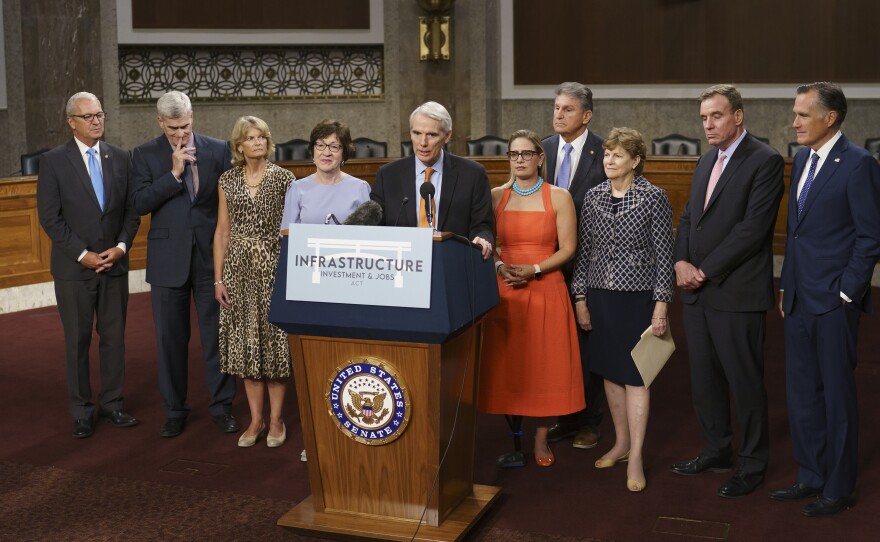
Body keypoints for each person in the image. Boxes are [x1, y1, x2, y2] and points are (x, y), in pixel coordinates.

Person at [770, 82, 880, 517]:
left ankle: (839, 486)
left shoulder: (858, 165)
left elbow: (871, 236)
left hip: (834, 302)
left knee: (836, 397)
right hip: (798, 298)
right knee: (802, 394)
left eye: (802, 114)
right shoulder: (801, 161)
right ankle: (810, 475)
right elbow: (797, 235)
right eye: (794, 114)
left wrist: (847, 291)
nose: (793, 122)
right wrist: (787, 285)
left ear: (829, 117)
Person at [671, 84, 784, 499]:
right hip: (697, 294)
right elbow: (687, 219)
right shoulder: (705, 161)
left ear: (738, 116)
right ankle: (717, 449)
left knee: (745, 382)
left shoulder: (765, 160)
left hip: (736, 294)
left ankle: (752, 463)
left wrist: (703, 269)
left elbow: (752, 231)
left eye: (716, 116)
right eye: (703, 118)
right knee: (705, 381)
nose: (708, 124)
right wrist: (680, 262)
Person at [571, 127, 674, 492]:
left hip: (638, 298)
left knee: (636, 376)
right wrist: (580, 299)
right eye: (606, 154)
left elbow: (665, 256)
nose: (609, 160)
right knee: (610, 374)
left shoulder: (653, 197)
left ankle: (637, 456)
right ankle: (621, 442)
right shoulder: (594, 196)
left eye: (617, 155)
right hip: (600, 297)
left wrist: (661, 304)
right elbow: (584, 253)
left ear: (635, 160)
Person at [131, 91, 239, 438]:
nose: (181, 134)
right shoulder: (144, 155)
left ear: (193, 116)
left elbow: (229, 204)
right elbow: (139, 203)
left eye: (186, 126)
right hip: (168, 260)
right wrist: (174, 174)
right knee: (170, 340)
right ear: (160, 122)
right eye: (173, 128)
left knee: (216, 337)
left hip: (211, 259)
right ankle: (175, 410)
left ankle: (222, 407)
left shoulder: (218, 149)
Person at [36, 91, 141, 439]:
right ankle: (82, 411)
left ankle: (113, 405)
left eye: (100, 115)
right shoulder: (53, 161)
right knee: (78, 341)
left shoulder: (121, 158)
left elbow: (131, 211)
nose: (97, 121)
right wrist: (83, 254)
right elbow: (50, 218)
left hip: (114, 265)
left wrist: (122, 247)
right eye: (89, 116)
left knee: (113, 339)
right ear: (71, 122)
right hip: (74, 270)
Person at [478, 130, 584, 468]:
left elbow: (568, 248)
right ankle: (513, 435)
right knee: (510, 365)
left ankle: (540, 438)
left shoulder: (559, 196)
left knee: (543, 366)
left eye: (526, 154)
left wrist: (535, 269)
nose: (520, 160)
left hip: (545, 287)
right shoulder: (496, 195)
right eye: (513, 154)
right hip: (505, 288)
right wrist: (498, 265)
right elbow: (485, 239)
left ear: (540, 157)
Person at [212, 117, 295, 449]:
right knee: (247, 348)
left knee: (274, 347)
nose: (258, 142)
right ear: (238, 146)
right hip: (237, 270)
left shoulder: (285, 179)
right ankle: (256, 420)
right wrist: (218, 278)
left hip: (274, 267)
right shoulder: (227, 180)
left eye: (262, 137)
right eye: (250, 137)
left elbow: (291, 230)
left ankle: (276, 420)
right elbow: (222, 231)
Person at [542, 82, 607, 450]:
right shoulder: (543, 151)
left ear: (586, 115)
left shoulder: (604, 152)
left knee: (587, 344)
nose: (558, 115)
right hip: (549, 263)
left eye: (567, 109)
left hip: (592, 265)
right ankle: (564, 418)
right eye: (556, 108)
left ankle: (589, 422)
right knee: (556, 345)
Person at [369, 101, 494, 259]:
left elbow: (482, 225)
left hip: (452, 264)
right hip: (402, 265)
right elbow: (373, 226)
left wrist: (482, 239)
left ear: (447, 136)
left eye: (432, 135)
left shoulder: (472, 174)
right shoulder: (388, 175)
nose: (423, 143)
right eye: (417, 133)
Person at [280, 119, 370, 227]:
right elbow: (288, 236)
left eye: (334, 146)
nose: (326, 153)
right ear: (313, 150)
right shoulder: (296, 189)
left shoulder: (360, 188)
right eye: (321, 145)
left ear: (344, 152)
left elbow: (368, 236)